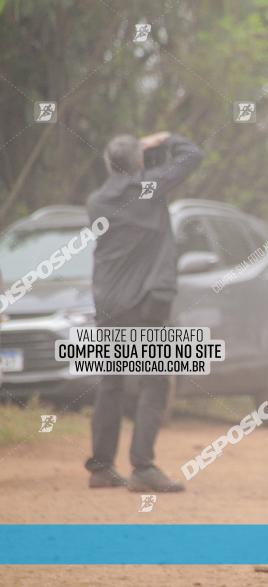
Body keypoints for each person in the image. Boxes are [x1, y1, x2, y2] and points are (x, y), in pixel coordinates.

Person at [85, 132, 202, 491]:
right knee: (154, 380)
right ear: (139, 161)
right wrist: (164, 139)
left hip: (108, 303)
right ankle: (143, 468)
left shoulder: (96, 200)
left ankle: (102, 468)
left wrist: (138, 157)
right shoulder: (149, 188)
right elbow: (192, 154)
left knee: (111, 383)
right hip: (146, 301)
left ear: (108, 164)